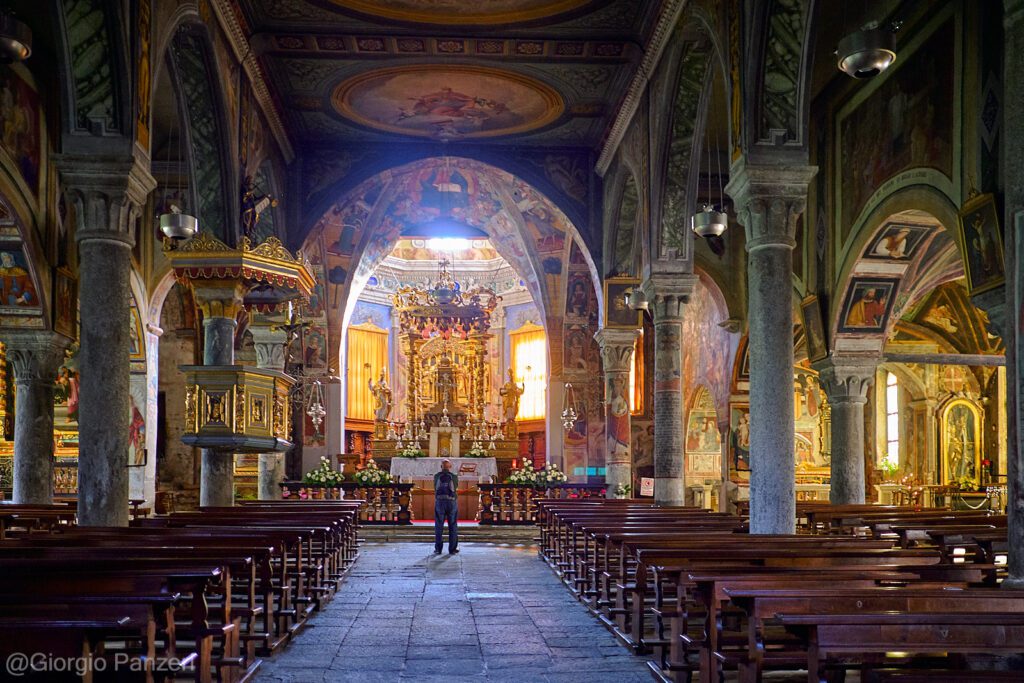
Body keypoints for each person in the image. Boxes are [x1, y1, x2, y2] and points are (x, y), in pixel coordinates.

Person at [433, 459, 459, 555]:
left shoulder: (436, 476)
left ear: (441, 467)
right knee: (453, 525)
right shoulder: (454, 476)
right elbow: (455, 487)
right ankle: (452, 549)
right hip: (451, 502)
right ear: (450, 467)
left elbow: (435, 487)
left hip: (440, 502)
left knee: (439, 525)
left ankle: (438, 549)